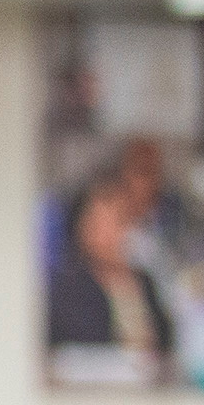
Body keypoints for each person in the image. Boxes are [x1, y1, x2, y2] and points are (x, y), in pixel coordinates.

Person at [45, 158, 179, 382]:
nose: (114, 234)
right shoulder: (67, 289)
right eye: (103, 223)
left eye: (121, 221)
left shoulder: (145, 282)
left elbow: (166, 346)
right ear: (84, 229)